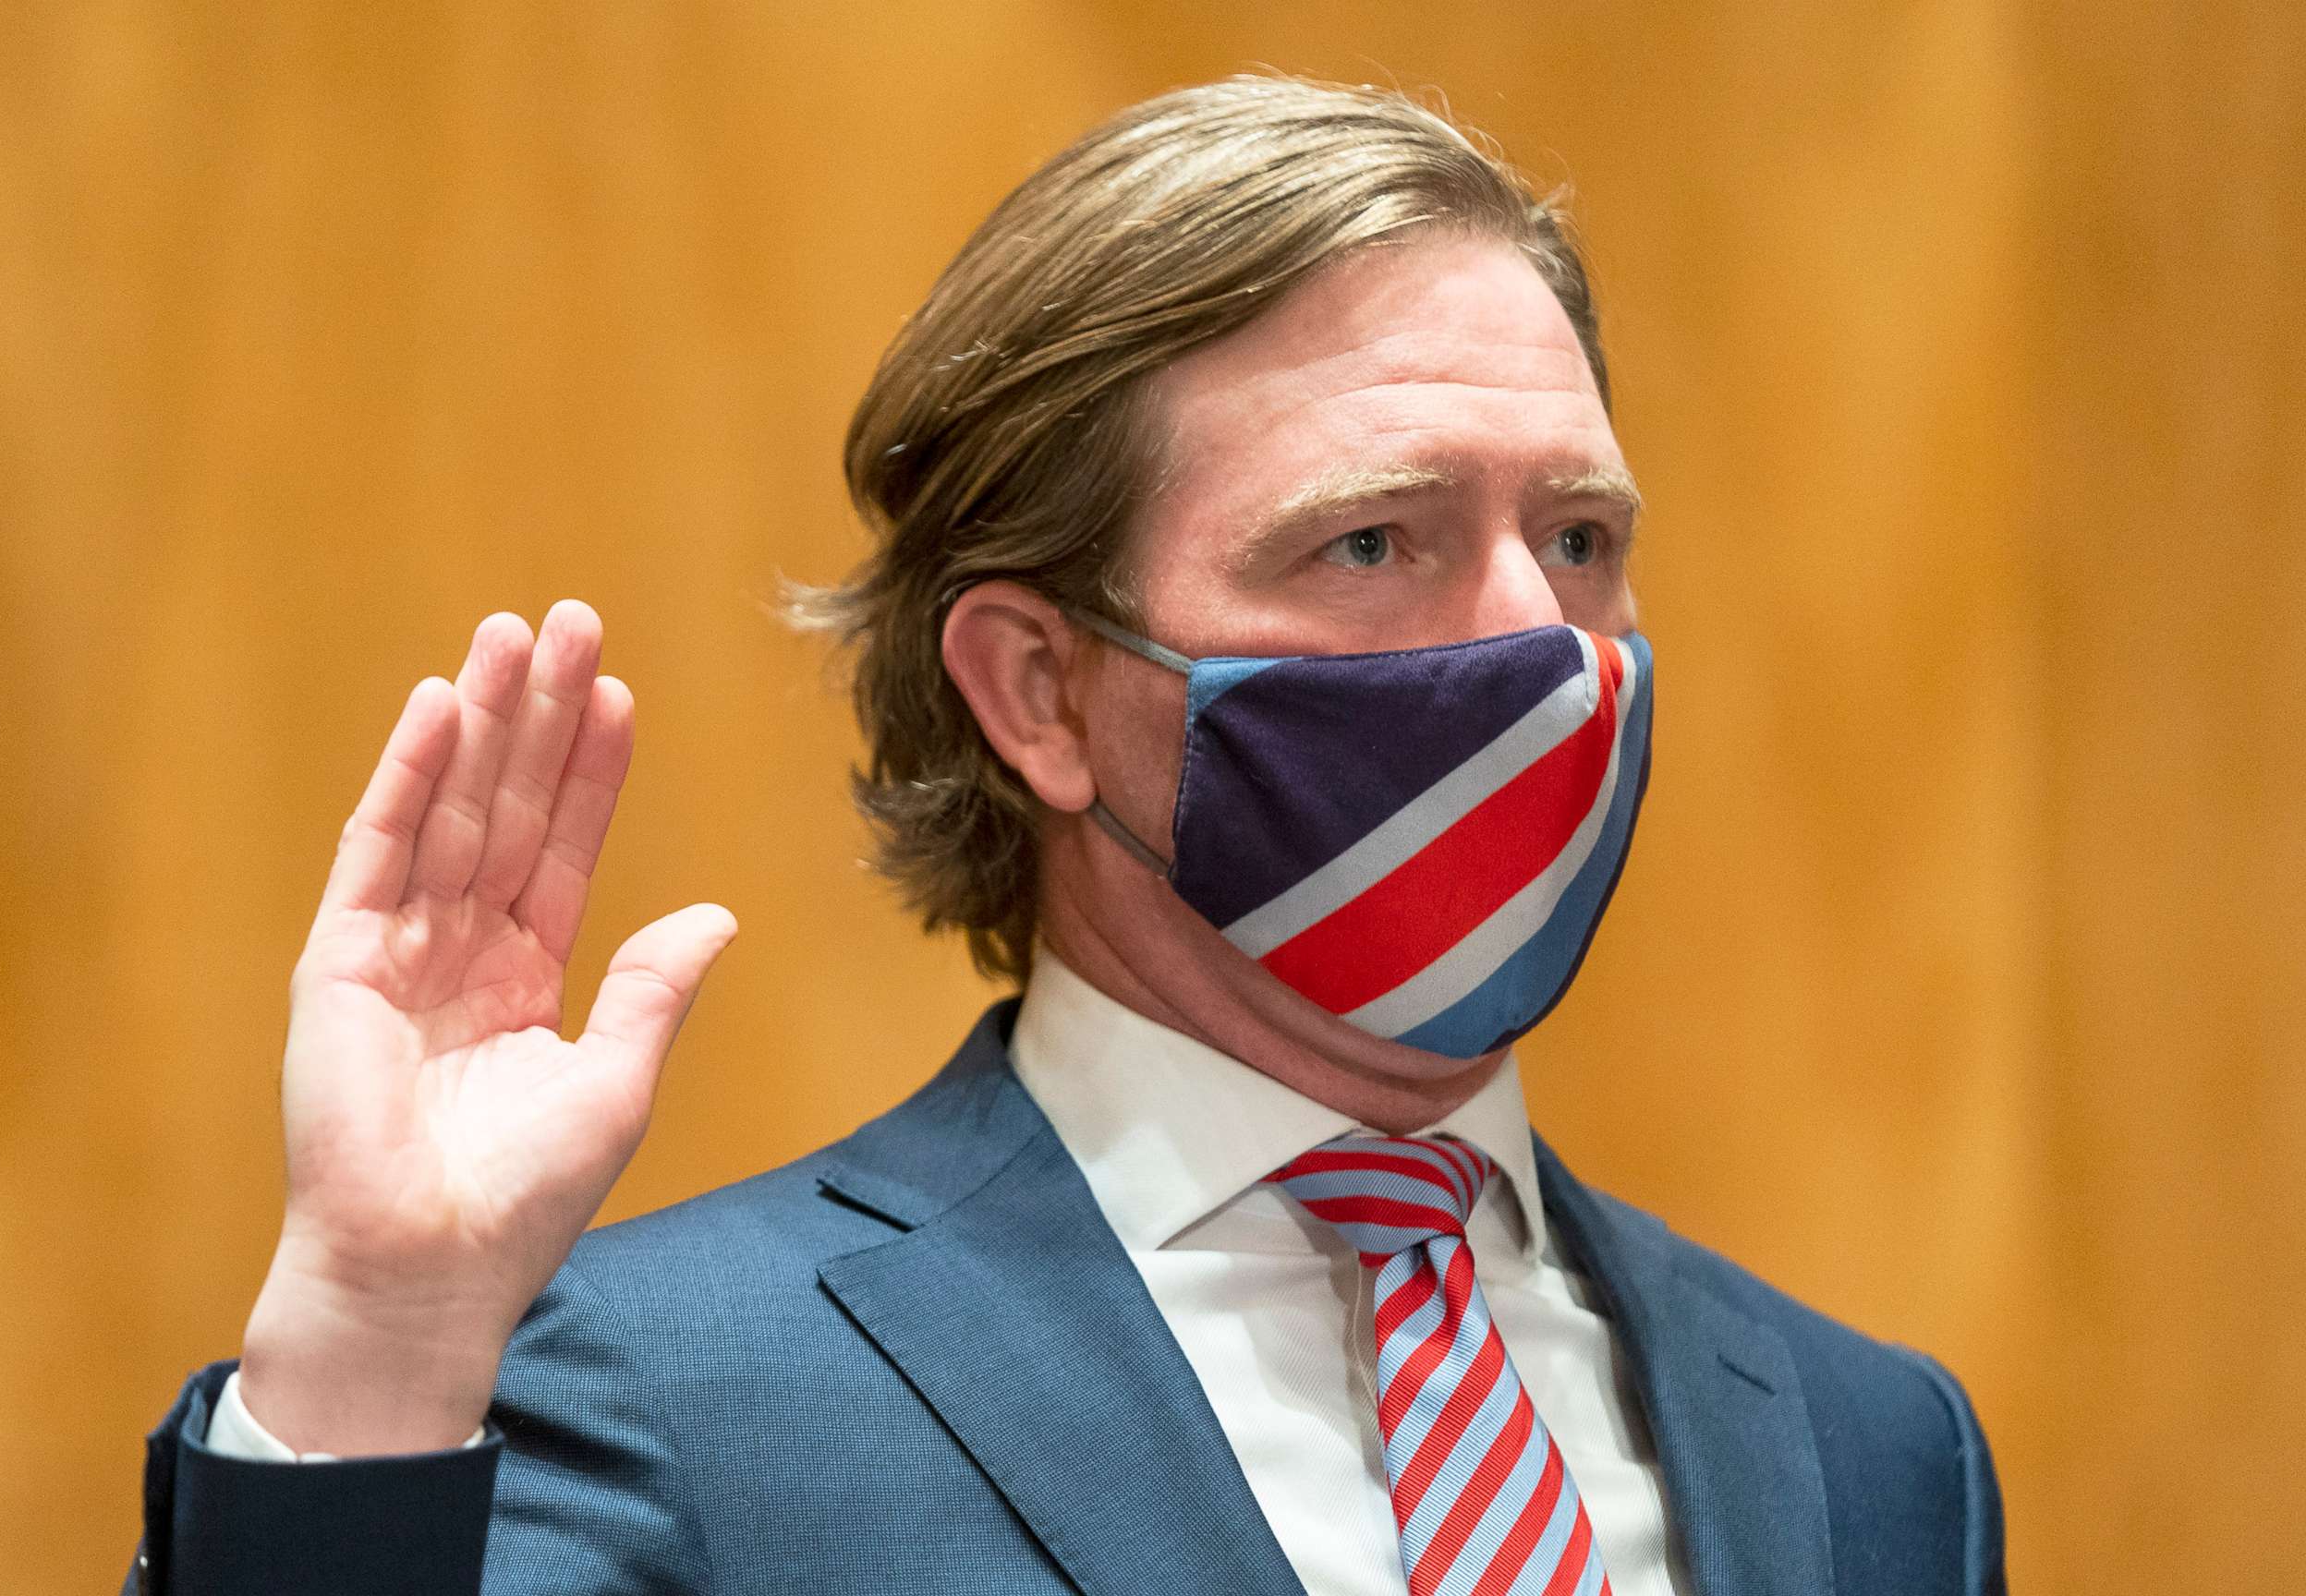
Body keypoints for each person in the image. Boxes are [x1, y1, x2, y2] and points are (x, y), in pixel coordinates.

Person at [124, 75, 2005, 1596]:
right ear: (1037, 689)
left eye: (1580, 539)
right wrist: (373, 1352)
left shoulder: (1872, 1451)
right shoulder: (655, 1398)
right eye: (1376, 541)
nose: (1534, 637)